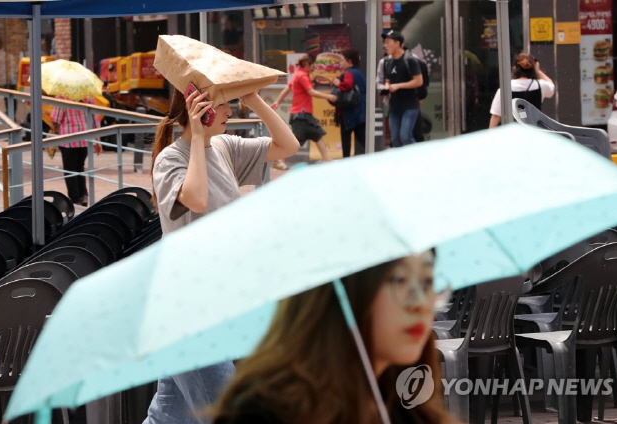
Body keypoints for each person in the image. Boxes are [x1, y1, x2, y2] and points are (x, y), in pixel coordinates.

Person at [145, 85, 300, 424]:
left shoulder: (224, 146)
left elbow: (288, 145)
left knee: (168, 417)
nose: (231, 112)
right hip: (188, 313)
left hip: (220, 304)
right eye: (224, 105)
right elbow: (196, 198)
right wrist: (197, 138)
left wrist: (254, 99)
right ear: (200, 111)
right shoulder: (170, 159)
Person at [211, 251, 456, 424]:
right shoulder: (265, 411)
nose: (421, 304)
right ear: (346, 291)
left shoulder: (406, 407)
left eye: (428, 282)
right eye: (400, 280)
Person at [271, 54, 337, 162]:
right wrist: (328, 96)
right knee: (295, 141)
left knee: (318, 134)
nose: (313, 67)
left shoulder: (297, 74)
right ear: (306, 64)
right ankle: (279, 160)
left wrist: (278, 102)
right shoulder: (302, 76)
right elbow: (311, 92)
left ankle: (326, 159)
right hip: (302, 115)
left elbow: (287, 89)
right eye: (311, 65)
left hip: (301, 114)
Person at [50, 95, 102, 206]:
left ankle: (75, 198)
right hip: (84, 138)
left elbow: (56, 118)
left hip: (68, 139)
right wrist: (98, 139)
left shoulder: (62, 96)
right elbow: (95, 117)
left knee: (70, 169)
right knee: (80, 167)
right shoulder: (88, 96)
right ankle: (83, 195)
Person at [489, 52, 555, 129]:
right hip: (534, 131)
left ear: (514, 68)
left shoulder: (506, 88)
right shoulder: (540, 85)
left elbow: (496, 115)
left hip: (513, 132)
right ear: (533, 69)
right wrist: (538, 71)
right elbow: (551, 86)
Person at [382, 31, 423, 148]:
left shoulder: (410, 60)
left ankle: (418, 160)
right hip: (394, 106)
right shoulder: (388, 62)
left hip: (410, 106)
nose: (385, 46)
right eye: (385, 43)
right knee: (395, 140)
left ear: (397, 43)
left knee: (405, 137)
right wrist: (386, 88)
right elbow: (388, 80)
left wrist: (399, 85)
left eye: (388, 43)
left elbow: (419, 81)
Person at [333, 48, 366, 157]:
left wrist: (338, 83)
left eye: (342, 60)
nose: (340, 63)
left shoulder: (348, 73)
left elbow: (347, 85)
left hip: (349, 112)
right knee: (363, 139)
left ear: (350, 61)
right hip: (361, 111)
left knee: (346, 140)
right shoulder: (359, 73)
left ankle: (346, 162)